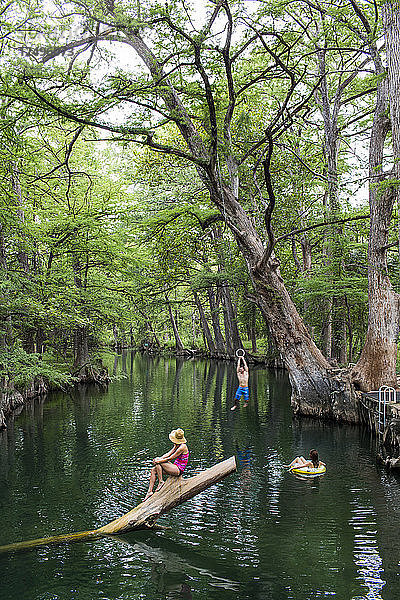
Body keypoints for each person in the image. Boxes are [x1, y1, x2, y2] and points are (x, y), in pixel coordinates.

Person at [143, 428, 189, 501]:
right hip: (174, 467)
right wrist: (158, 458)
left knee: (159, 463)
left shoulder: (182, 447)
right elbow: (168, 453)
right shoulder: (177, 445)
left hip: (178, 470)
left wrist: (158, 461)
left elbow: (170, 458)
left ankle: (161, 481)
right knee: (153, 470)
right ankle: (149, 492)